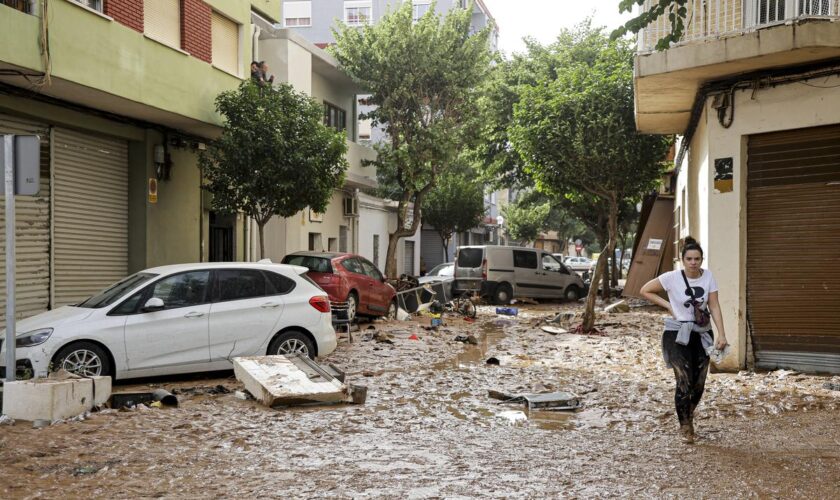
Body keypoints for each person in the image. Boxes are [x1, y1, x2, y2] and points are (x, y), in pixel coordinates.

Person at [640, 236, 728, 443]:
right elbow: (645, 290)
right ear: (682, 260)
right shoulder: (671, 277)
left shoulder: (708, 277)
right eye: (689, 259)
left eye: (697, 259)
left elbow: (714, 306)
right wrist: (669, 306)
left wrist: (722, 334)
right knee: (684, 380)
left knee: (699, 383)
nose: (693, 262)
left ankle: (688, 414)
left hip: (702, 333)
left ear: (702, 260)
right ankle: (685, 426)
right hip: (677, 334)